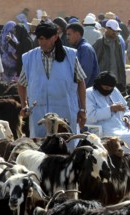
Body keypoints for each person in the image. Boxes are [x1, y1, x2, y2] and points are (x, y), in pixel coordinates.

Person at [17, 21, 87, 150]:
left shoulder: (70, 56)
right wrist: (24, 105)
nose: (41, 42)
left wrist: (82, 109)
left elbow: (81, 82)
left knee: (66, 148)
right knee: (40, 151)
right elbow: (21, 84)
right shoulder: (30, 57)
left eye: (45, 38)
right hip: (39, 114)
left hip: (65, 112)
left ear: (55, 37)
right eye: (39, 39)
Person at [86, 72, 130, 153]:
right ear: (99, 85)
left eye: (110, 89)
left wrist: (127, 117)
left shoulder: (114, 90)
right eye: (106, 88)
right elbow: (90, 116)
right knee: (124, 139)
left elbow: (125, 108)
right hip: (105, 129)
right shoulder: (89, 93)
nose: (108, 90)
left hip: (122, 126)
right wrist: (110, 109)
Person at [93, 19, 126, 92]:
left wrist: (123, 81)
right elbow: (94, 62)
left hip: (116, 80)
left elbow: (120, 62)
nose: (115, 33)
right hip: (104, 81)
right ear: (107, 29)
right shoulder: (100, 42)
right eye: (113, 30)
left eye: (116, 31)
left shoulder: (118, 42)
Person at [66, 22, 99, 88]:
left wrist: (78, 90)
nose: (67, 37)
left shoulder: (85, 49)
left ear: (77, 34)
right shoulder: (79, 48)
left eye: (69, 34)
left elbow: (84, 75)